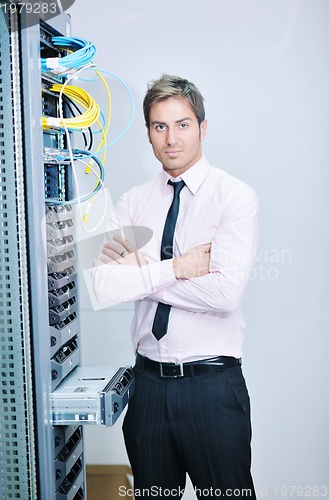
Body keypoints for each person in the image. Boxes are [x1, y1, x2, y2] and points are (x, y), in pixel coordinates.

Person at [93, 74, 259, 499]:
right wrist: (178, 268)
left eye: (183, 124)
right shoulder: (133, 202)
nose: (171, 138)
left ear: (203, 127)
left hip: (211, 388)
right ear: (148, 132)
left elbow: (225, 295)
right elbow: (104, 287)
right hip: (146, 389)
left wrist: (143, 272)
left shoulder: (233, 197)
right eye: (159, 126)